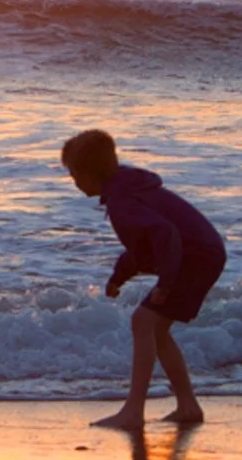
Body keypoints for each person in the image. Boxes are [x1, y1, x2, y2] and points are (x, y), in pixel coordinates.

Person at [62, 130, 227, 430]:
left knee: (143, 322)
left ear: (87, 174)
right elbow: (144, 246)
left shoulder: (122, 201)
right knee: (156, 329)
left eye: (73, 173)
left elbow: (166, 236)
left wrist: (165, 282)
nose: (72, 181)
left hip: (197, 257)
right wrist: (119, 277)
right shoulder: (125, 191)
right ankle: (187, 406)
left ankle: (133, 411)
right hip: (204, 253)